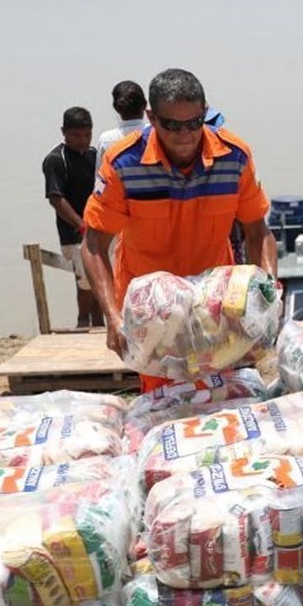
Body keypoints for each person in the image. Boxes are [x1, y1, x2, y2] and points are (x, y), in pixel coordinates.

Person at [81, 68, 278, 391]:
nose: (184, 134)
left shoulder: (235, 158)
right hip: (152, 313)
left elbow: (257, 230)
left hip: (215, 306)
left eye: (194, 123)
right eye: (172, 125)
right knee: (165, 398)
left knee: (219, 395)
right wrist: (113, 317)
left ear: (205, 113)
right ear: (151, 118)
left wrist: (268, 295)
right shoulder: (123, 164)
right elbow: (93, 244)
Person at [42, 106, 105, 328]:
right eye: (77, 135)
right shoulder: (56, 159)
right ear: (64, 132)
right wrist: (82, 226)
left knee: (101, 281)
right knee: (86, 282)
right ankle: (82, 322)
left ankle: (99, 326)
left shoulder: (95, 155)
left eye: (87, 134)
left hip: (100, 230)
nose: (83, 140)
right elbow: (56, 198)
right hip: (75, 234)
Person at [96, 80, 148, 174]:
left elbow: (101, 180)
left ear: (116, 107)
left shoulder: (106, 140)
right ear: (145, 104)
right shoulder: (155, 133)